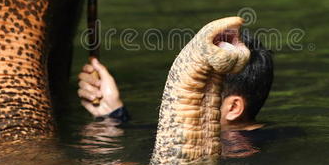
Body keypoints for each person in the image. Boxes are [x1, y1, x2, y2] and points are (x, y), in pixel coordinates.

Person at [77, 31, 274, 133]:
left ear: (233, 107)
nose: (178, 98)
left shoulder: (251, 147)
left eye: (194, 91)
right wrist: (113, 114)